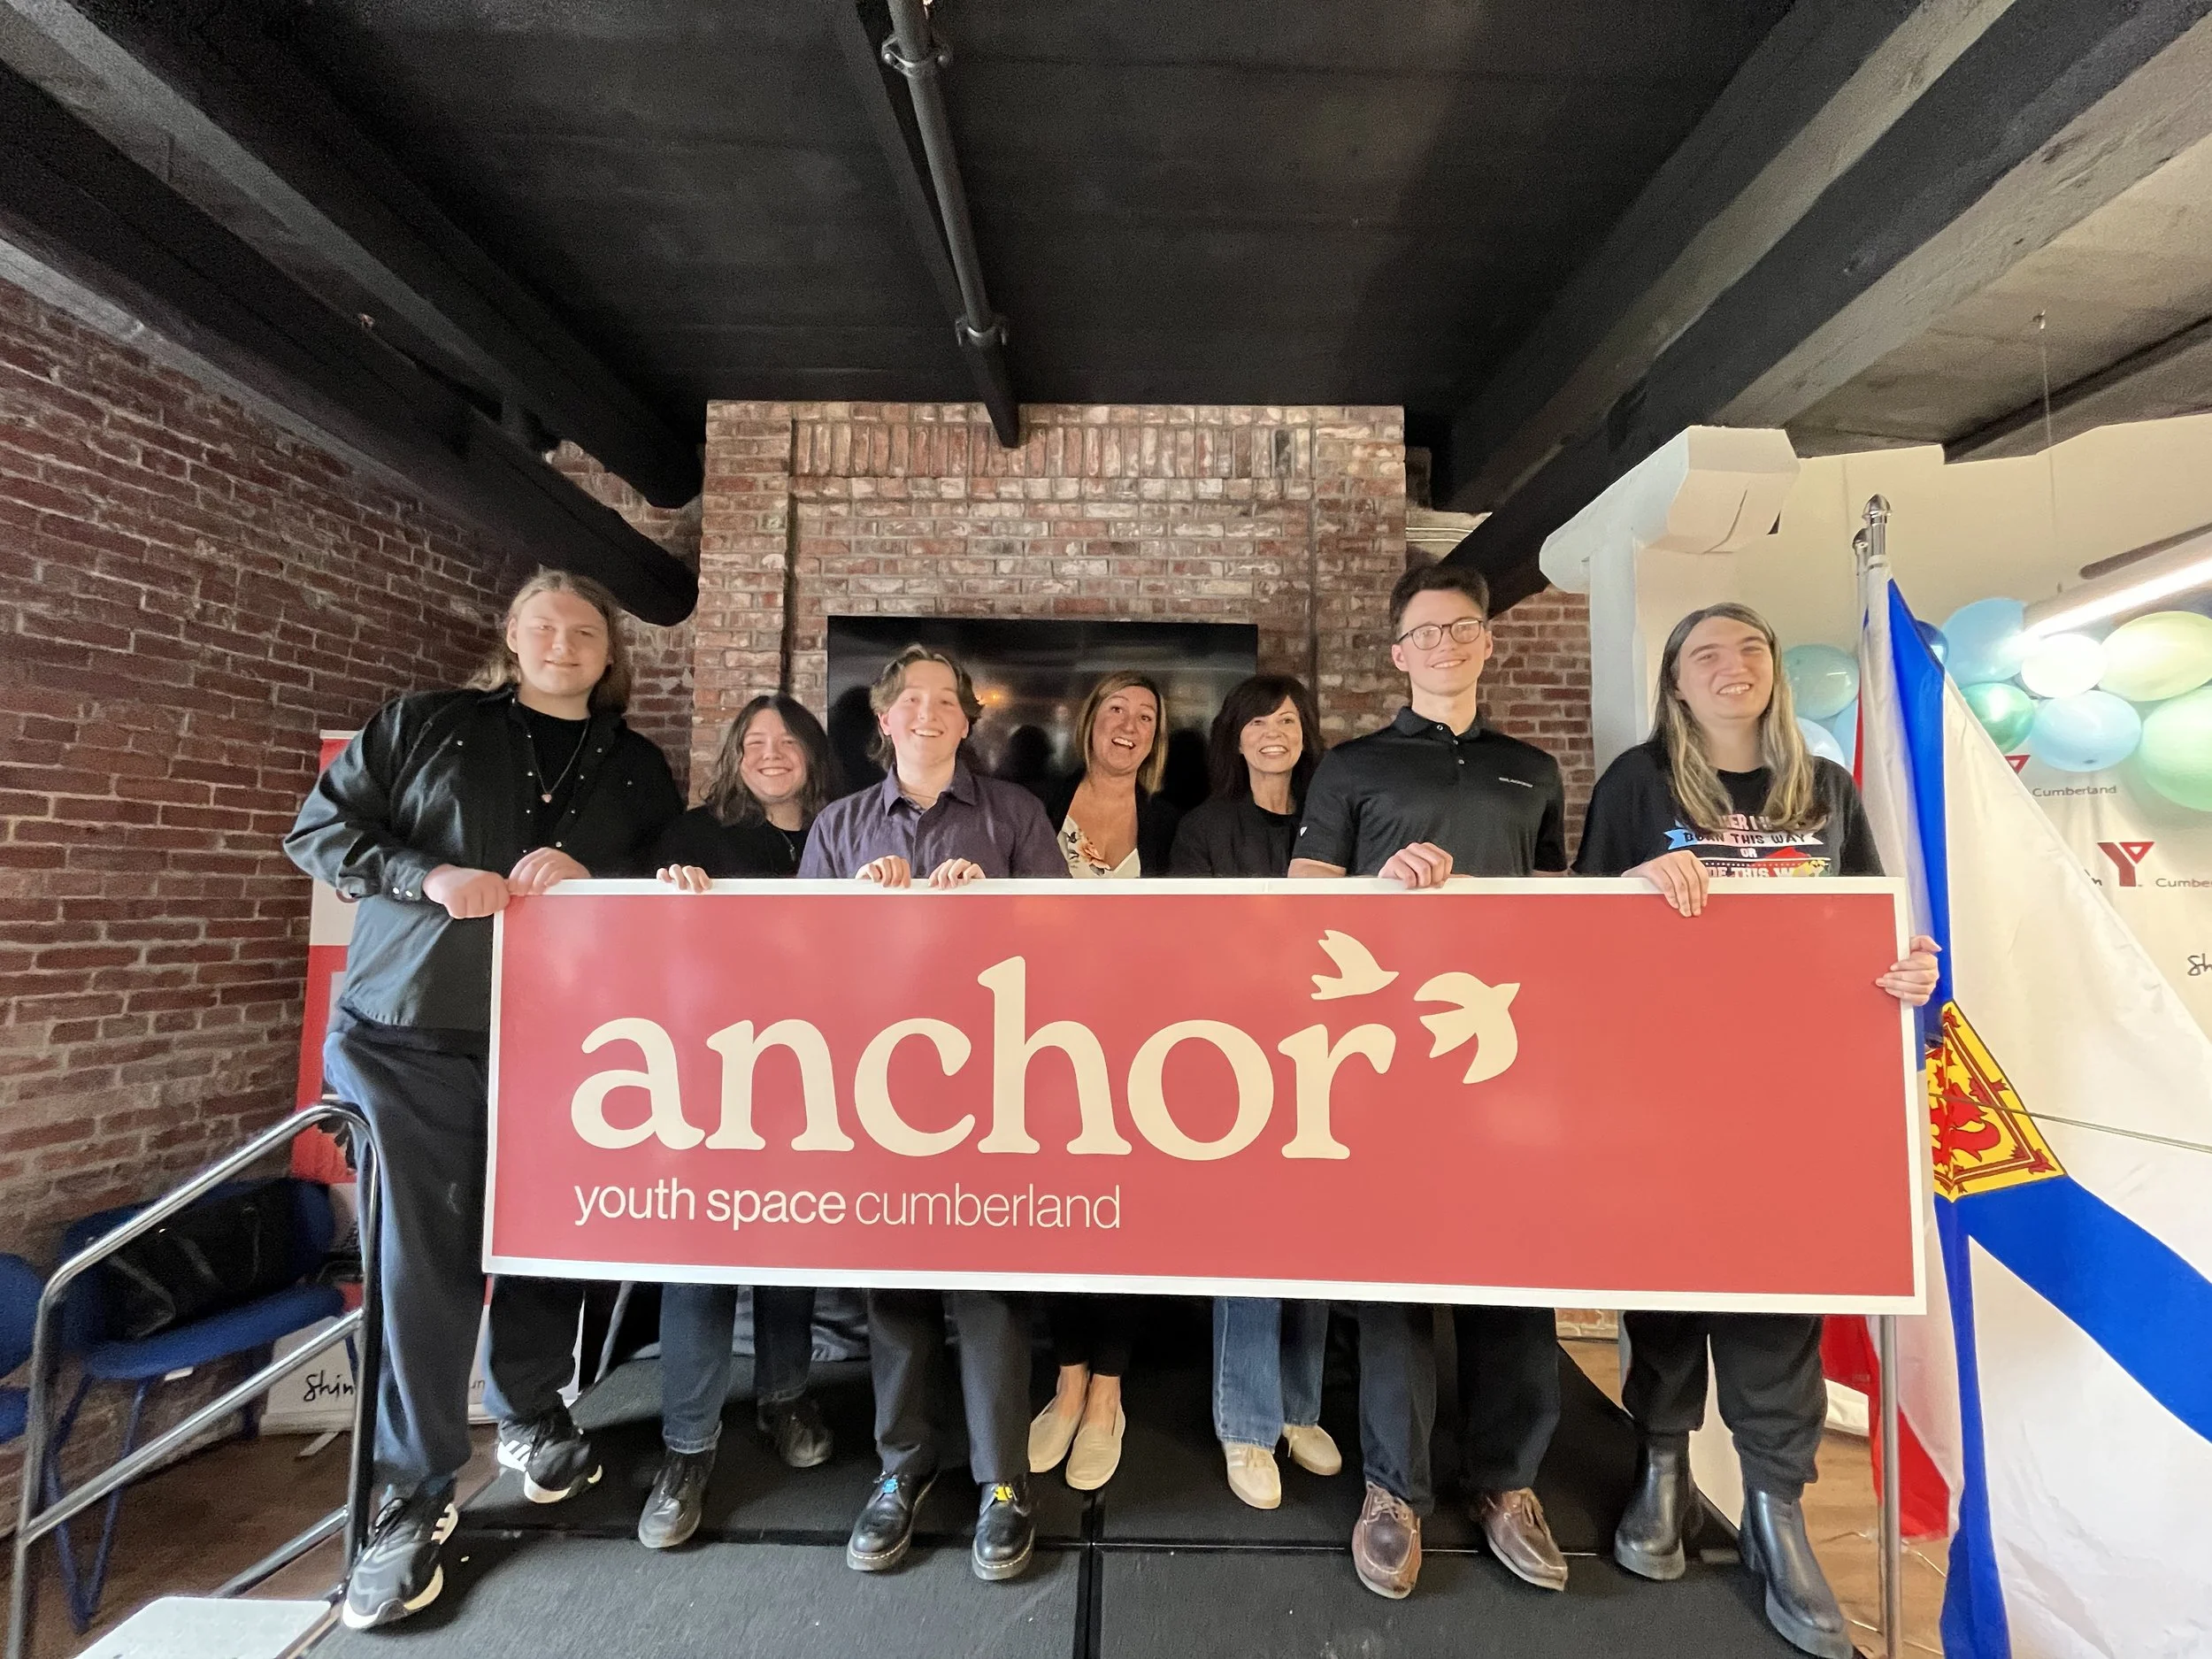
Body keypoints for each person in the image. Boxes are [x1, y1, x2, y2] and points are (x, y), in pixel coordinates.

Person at [287, 570, 683, 1630]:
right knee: (422, 1259)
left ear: (608, 655)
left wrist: (615, 876)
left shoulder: (640, 769)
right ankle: (409, 1496)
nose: (564, 643)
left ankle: (532, 1410)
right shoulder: (423, 725)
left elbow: (667, 878)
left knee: (554, 1235)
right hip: (409, 1030)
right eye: (544, 626)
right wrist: (426, 877)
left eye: (585, 631)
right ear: (512, 638)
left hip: (570, 1040)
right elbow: (317, 835)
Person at [1574, 602, 1939, 1659]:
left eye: (1748, 651)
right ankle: (1661, 1468)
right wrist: (1632, 887)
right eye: (1704, 655)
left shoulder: (1824, 792)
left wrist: (1906, 969)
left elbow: (1869, 922)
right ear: (1675, 685)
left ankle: (1778, 1511)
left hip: (1794, 1090)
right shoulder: (1637, 786)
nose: (1729, 668)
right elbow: (1575, 932)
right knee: (1672, 1282)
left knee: (1779, 1295)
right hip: (1666, 1086)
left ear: (1774, 673)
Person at [1287, 559, 1571, 1601]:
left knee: (1513, 1274)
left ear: (1485, 642)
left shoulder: (1532, 768)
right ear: (1397, 652)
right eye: (1424, 633)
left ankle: (1507, 1483)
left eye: (1462, 629)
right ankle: (1393, 1491)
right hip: (1380, 1056)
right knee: (1394, 1277)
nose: (1444, 646)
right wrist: (1377, 884)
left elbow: (1555, 906)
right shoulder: (1352, 766)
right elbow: (1302, 902)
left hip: (1504, 1055)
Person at [798, 644, 1067, 1583]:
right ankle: (900, 1471)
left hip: (995, 1093)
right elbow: (795, 966)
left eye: (943, 702)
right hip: (874, 1096)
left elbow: (1070, 945)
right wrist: (848, 912)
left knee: (992, 1294)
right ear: (884, 719)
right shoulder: (835, 829)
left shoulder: (1017, 817)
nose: (925, 714)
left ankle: (1003, 1484)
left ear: (965, 720)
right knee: (896, 1295)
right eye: (908, 700)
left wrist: (994, 906)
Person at [638, 694, 841, 1550]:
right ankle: (687, 1448)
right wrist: (667, 895)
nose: (770, 754)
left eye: (786, 740)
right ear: (734, 755)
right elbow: (650, 945)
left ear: (812, 753)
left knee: (785, 1248)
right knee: (702, 1258)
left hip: (818, 1073)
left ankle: (785, 1395)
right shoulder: (692, 834)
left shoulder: (845, 829)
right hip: (713, 1073)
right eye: (753, 742)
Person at [1170, 675, 1344, 1510]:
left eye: (1287, 720)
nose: (1275, 733)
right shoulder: (1205, 828)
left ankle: (1299, 1408)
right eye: (1258, 722)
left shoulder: (1338, 817)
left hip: (1330, 1054)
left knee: (1316, 1235)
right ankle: (1246, 1421)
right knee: (1251, 1241)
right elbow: (1194, 946)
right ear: (1233, 738)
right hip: (1237, 1055)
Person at [1025, 672, 1180, 1492]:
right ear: (1088, 722)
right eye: (1116, 709)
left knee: (1127, 1217)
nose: (1129, 724)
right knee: (1058, 1213)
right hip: (1040, 1043)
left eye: (1145, 715)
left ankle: (1110, 1390)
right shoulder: (1030, 803)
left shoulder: (1172, 820)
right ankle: (1069, 1375)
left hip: (1143, 1049)